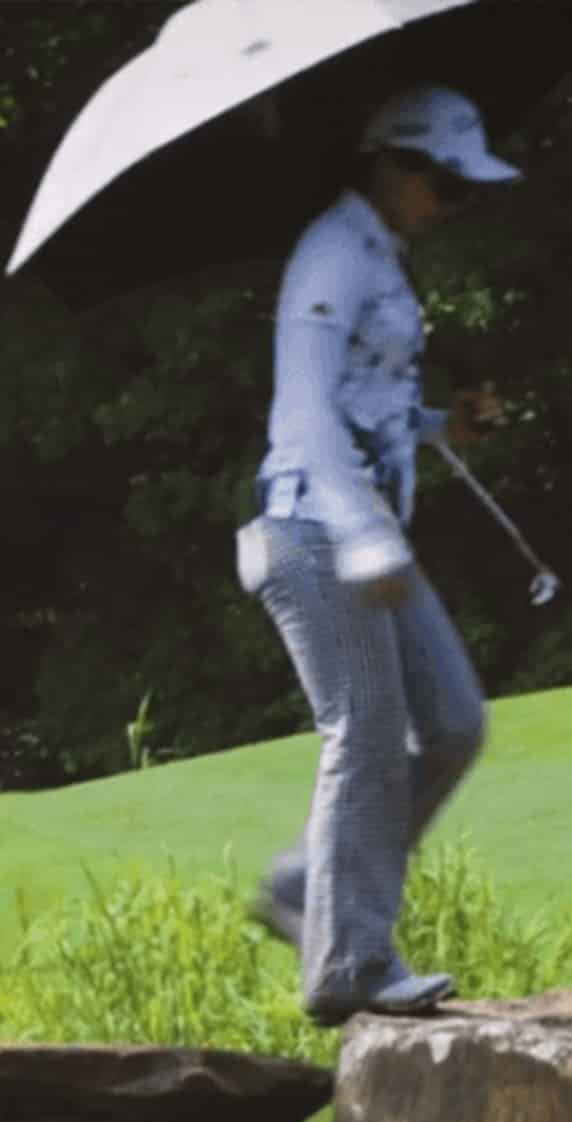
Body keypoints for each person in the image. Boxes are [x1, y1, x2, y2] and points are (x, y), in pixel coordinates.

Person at [239, 85, 520, 1027]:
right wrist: (363, 534)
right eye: (444, 183)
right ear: (393, 165)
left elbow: (372, 407)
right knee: (364, 741)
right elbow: (304, 410)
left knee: (451, 726)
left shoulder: (380, 258)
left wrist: (449, 425)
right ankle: (348, 963)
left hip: (360, 532)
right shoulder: (331, 252)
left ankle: (302, 883)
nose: (451, 203)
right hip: (317, 534)